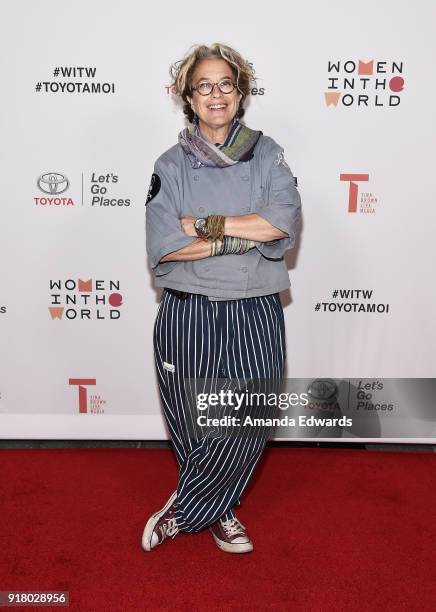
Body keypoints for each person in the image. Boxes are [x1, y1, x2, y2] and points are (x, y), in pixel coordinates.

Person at [142, 42, 302, 554]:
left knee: (249, 417)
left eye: (226, 84)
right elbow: (167, 242)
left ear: (241, 93)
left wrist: (208, 228)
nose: (216, 94)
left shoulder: (268, 152)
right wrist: (244, 233)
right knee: (191, 415)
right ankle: (221, 509)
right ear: (189, 96)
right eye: (204, 85)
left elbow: (281, 223)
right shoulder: (170, 164)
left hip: (254, 303)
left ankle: (185, 508)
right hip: (187, 306)